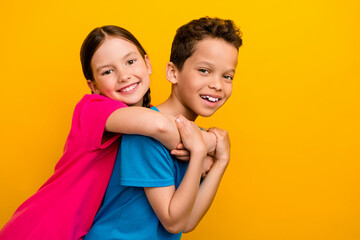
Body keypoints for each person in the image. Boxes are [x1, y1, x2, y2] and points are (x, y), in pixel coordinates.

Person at [0, 25, 215, 240]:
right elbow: (161, 127)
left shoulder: (138, 124)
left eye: (130, 62)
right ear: (93, 85)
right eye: (107, 71)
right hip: (39, 230)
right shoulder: (93, 107)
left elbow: (184, 218)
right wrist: (209, 142)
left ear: (147, 63)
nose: (124, 76)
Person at [84, 17, 243, 240]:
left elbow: (186, 222)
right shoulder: (146, 133)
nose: (217, 84)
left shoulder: (190, 137)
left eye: (227, 76)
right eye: (205, 71)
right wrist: (199, 152)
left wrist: (221, 161)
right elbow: (173, 221)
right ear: (173, 73)